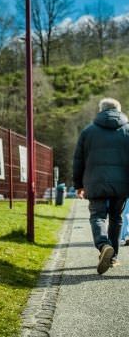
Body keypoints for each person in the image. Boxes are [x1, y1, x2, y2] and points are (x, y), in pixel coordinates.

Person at [73, 97, 129, 274]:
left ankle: (103, 244)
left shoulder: (88, 131)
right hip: (122, 184)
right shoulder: (128, 131)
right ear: (119, 111)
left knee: (97, 216)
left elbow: (78, 160)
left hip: (95, 182)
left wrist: (78, 184)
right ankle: (112, 258)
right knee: (116, 217)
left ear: (100, 110)